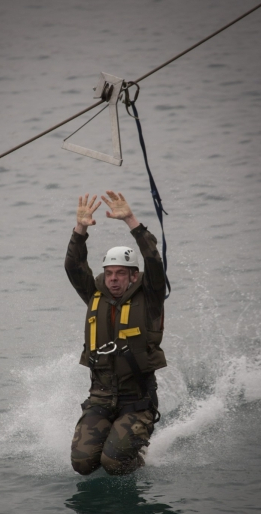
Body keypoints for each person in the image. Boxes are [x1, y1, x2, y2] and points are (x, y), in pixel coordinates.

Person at [65, 190, 167, 476]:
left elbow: (155, 262)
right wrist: (81, 228)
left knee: (114, 464)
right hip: (100, 396)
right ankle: (113, 440)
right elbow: (73, 266)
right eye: (109, 273)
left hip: (137, 401)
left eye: (120, 273)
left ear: (133, 275)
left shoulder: (150, 295)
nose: (113, 279)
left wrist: (131, 221)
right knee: (83, 464)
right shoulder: (95, 293)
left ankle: (135, 451)